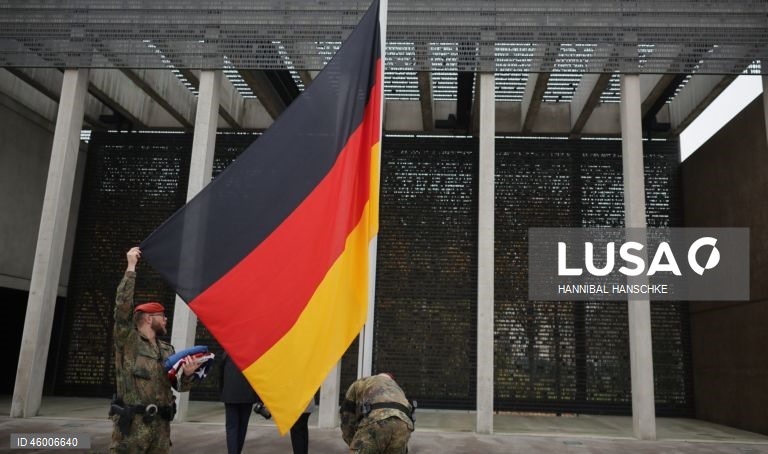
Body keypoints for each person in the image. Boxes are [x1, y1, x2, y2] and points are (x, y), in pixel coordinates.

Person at [110, 246, 201, 453]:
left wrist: (188, 375)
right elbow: (122, 309)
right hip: (133, 429)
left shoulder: (166, 349)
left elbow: (180, 386)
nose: (166, 319)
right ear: (149, 319)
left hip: (161, 428)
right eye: (162, 316)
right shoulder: (128, 341)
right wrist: (131, 267)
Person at [340, 373, 414, 453]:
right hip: (404, 424)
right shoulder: (397, 388)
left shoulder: (361, 382)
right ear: (391, 379)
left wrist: (353, 442)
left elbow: (346, 416)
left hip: (376, 420)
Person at [219, 352, 258, 454]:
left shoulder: (227, 353)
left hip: (230, 395)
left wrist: (222, 392)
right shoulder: (252, 354)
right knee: (242, 426)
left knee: (231, 427)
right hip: (247, 395)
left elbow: (220, 375)